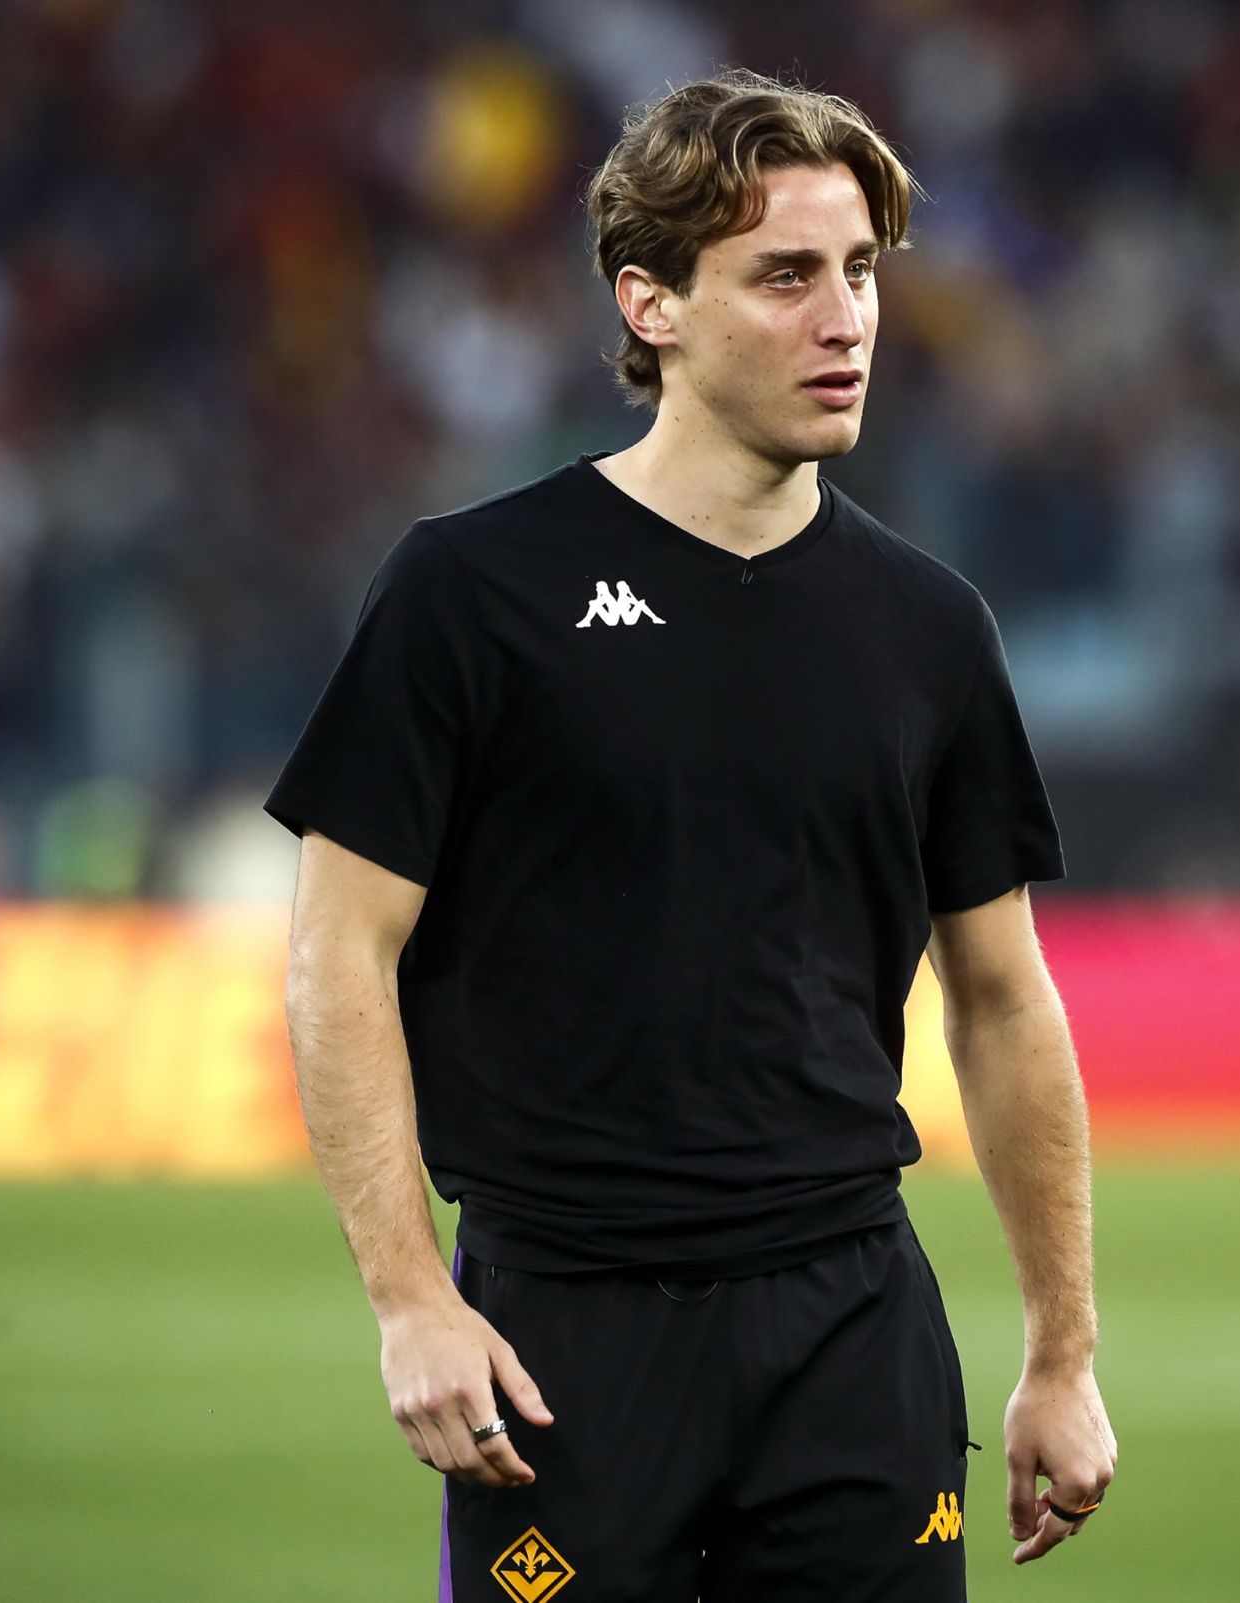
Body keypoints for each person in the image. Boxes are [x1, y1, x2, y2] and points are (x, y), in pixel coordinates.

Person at [266, 67, 1115, 1600]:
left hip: (855, 1328)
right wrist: (408, 1299)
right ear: (649, 303)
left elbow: (1002, 1000)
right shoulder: (473, 594)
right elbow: (339, 954)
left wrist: (1063, 1351)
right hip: (563, 1339)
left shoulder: (930, 630)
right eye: (787, 276)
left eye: (861, 271)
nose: (846, 320)